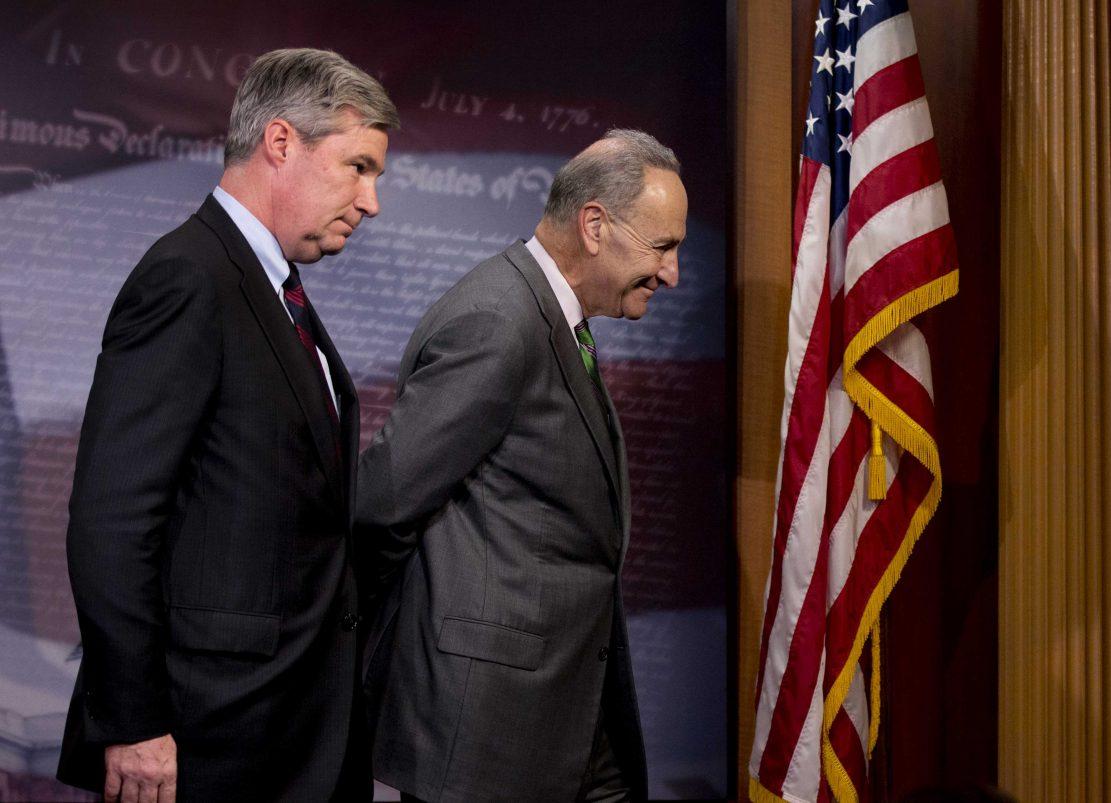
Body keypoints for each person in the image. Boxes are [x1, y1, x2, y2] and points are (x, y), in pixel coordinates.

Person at [57, 48, 399, 802]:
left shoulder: (274, 289)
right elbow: (112, 520)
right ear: (282, 143)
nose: (371, 201)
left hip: (295, 732)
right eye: (359, 167)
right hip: (207, 741)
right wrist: (133, 720)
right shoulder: (189, 277)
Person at [356, 129, 687, 802]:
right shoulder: (497, 320)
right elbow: (384, 502)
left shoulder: (555, 316)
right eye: (662, 246)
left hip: (564, 712)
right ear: (594, 224)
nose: (672, 273)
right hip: (490, 732)